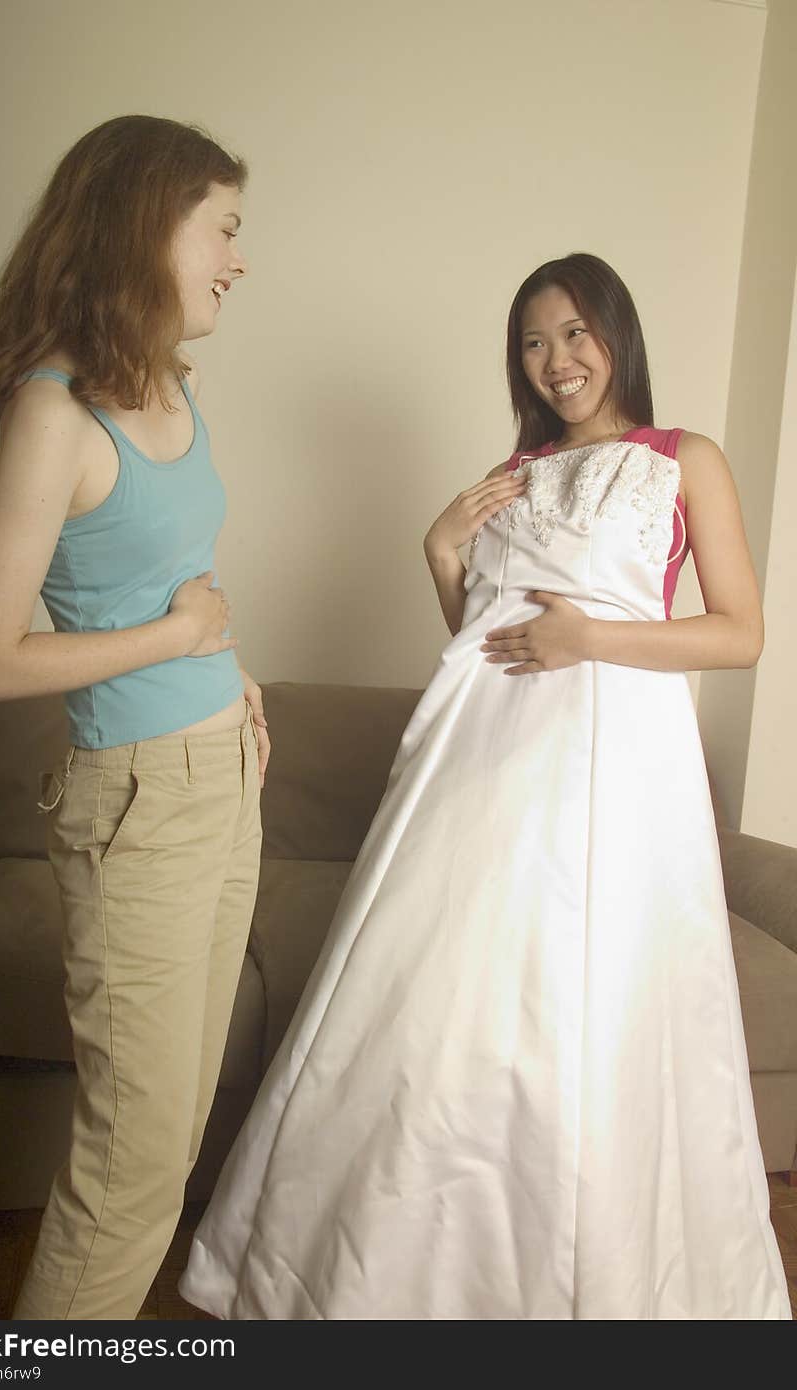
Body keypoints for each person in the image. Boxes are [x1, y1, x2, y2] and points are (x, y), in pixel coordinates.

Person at [179, 253, 790, 1320]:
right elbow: (484, 644)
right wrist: (438, 548)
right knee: (440, 1017)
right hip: (481, 764)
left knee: (593, 1008)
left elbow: (739, 632)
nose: (555, 361)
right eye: (531, 341)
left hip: (615, 767)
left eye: (574, 332)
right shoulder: (511, 474)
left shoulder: (682, 458)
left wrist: (588, 634)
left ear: (618, 333)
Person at [0, 115, 268, 1320]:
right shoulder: (55, 413)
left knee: (169, 1143)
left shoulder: (170, 385)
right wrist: (178, 641)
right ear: (150, 226)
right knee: (128, 1169)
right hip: (137, 800)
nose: (239, 258)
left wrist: (224, 674)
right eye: (225, 229)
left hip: (221, 773)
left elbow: (166, 575)